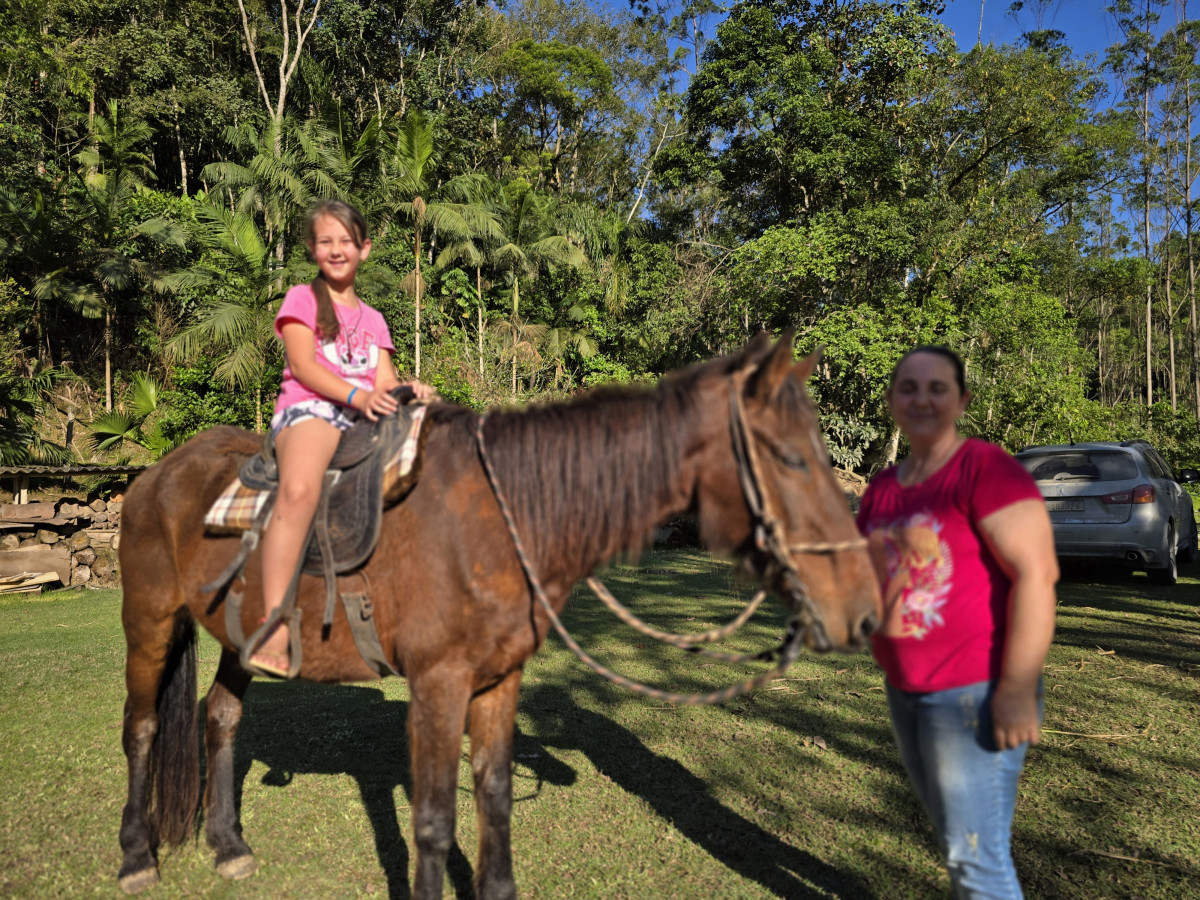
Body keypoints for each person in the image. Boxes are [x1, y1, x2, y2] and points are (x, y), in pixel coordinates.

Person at [856, 346, 1058, 899]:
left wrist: (1016, 690)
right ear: (892, 400)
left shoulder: (985, 469)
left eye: (936, 387)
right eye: (908, 388)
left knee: (976, 858)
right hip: (907, 691)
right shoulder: (883, 489)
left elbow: (1037, 576)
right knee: (956, 840)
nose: (921, 399)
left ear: (961, 399)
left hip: (974, 692)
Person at [249, 199, 434, 677]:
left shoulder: (374, 319)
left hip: (363, 416)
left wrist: (409, 389)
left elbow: (384, 382)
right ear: (313, 249)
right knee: (300, 490)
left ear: (364, 249)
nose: (336, 249)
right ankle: (274, 622)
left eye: (345, 241)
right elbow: (305, 367)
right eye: (325, 241)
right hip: (310, 410)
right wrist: (357, 396)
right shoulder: (301, 299)